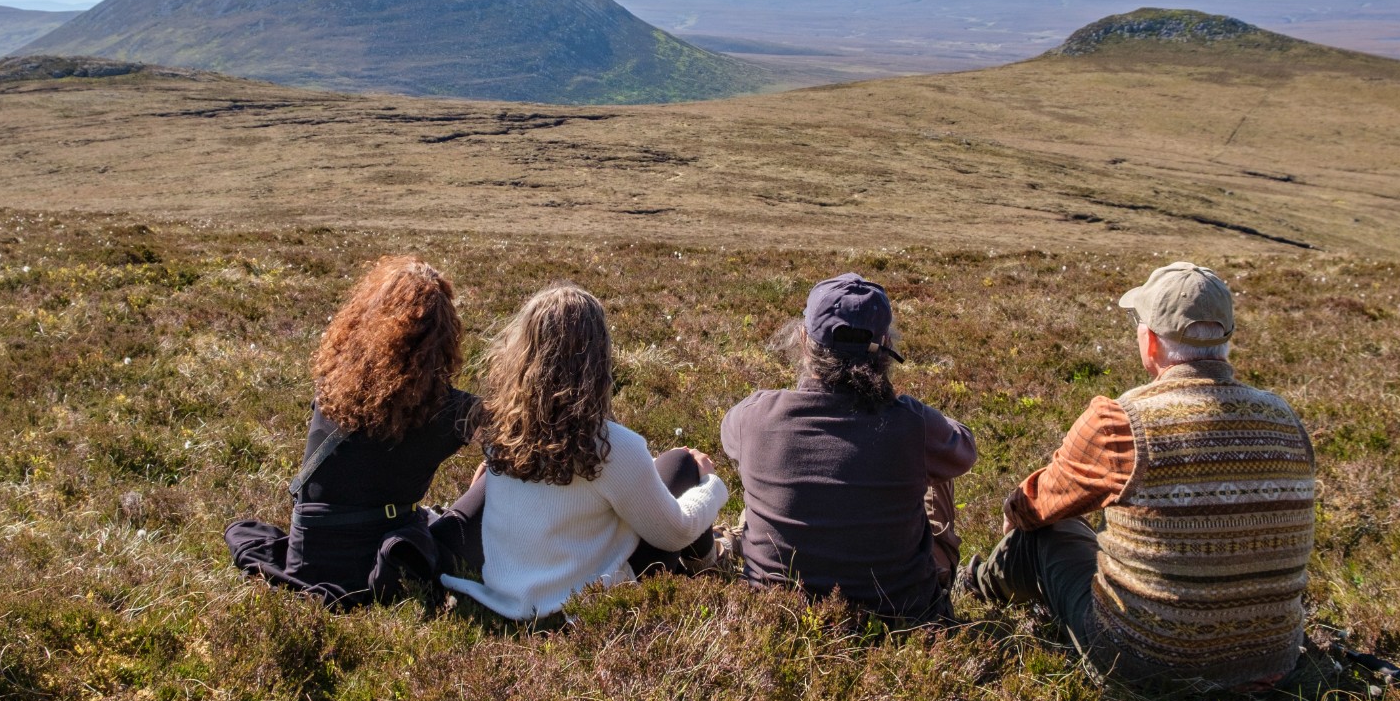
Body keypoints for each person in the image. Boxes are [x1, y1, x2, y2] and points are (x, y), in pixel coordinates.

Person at [961, 261, 1317, 688]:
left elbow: (1035, 505)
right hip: (1273, 660)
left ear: (1150, 343)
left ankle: (974, 586)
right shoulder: (1285, 418)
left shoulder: (1121, 422)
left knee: (1049, 532)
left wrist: (1017, 513)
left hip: (1147, 660)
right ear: (1226, 339)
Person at [438, 283, 730, 622]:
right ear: (598, 358)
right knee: (682, 464)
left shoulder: (500, 432)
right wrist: (711, 485)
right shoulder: (613, 446)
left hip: (505, 601)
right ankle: (708, 562)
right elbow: (674, 532)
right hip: (579, 611)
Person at [224, 255, 482, 604]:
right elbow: (518, 446)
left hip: (309, 558)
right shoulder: (452, 411)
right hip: (376, 565)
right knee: (496, 479)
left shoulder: (331, 385)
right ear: (444, 334)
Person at [721, 272, 975, 624]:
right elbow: (964, 450)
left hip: (778, 619)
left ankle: (736, 541)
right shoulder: (912, 424)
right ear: (885, 344)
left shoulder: (755, 416)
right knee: (933, 463)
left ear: (804, 338)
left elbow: (728, 440)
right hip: (903, 619)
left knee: (765, 468)